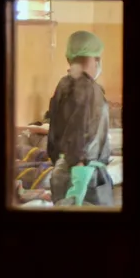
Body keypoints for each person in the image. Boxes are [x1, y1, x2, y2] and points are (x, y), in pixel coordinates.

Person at [47, 31, 114, 206]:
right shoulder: (89, 90)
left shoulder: (64, 84)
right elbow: (81, 139)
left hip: (62, 172)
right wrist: (78, 187)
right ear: (95, 59)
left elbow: (58, 135)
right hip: (84, 180)